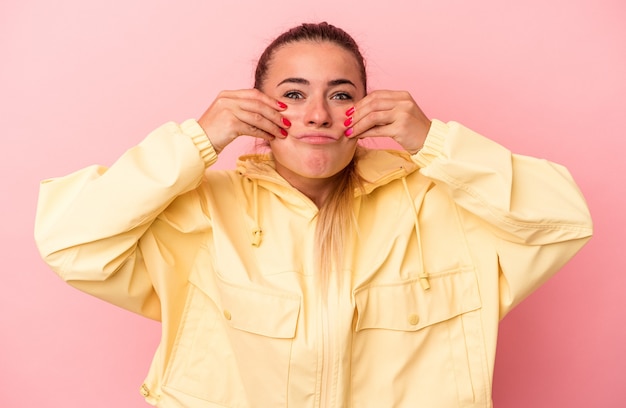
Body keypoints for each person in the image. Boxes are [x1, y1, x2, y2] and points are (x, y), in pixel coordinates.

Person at [35, 22, 592, 408]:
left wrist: (434, 142)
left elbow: (565, 219)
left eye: (342, 94)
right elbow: (69, 239)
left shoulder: (438, 205)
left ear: (369, 109)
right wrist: (197, 140)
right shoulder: (202, 211)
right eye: (294, 94)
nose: (319, 115)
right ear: (253, 108)